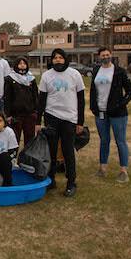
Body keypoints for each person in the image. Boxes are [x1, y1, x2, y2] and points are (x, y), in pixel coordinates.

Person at [36, 48, 86, 197]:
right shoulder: (46, 76)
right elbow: (41, 100)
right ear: (51, 60)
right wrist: (38, 121)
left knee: (68, 151)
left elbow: (81, 100)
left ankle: (71, 182)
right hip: (51, 117)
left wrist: (80, 122)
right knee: (51, 152)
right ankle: (50, 180)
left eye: (60, 57)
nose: (58, 60)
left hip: (69, 119)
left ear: (65, 59)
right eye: (55, 57)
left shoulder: (75, 74)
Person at [89, 47, 131, 183]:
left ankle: (123, 171)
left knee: (120, 141)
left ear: (111, 55)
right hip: (101, 113)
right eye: (103, 55)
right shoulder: (96, 70)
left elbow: (130, 91)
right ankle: (102, 169)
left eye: (107, 54)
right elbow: (92, 90)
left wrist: (121, 104)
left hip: (118, 114)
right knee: (104, 141)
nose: (105, 57)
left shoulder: (119, 71)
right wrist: (93, 107)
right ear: (99, 57)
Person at [3, 56, 39, 146]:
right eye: (20, 63)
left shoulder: (31, 79)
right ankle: (13, 158)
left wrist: (36, 111)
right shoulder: (10, 79)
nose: (22, 65)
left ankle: (27, 159)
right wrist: (8, 114)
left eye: (24, 63)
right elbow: (7, 97)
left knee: (30, 139)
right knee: (15, 139)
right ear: (16, 65)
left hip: (30, 114)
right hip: (16, 115)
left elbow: (35, 96)